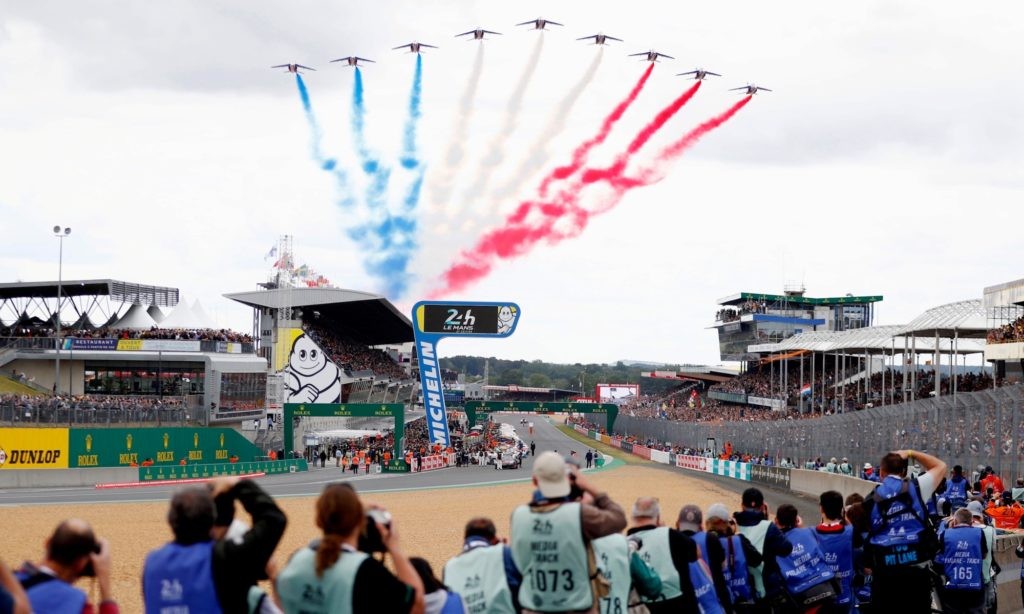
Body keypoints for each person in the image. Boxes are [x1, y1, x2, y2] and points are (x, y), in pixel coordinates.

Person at [275, 483, 425, 613]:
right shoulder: (365, 570)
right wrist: (395, 548)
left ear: (318, 521)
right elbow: (417, 605)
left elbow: (281, 606)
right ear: (360, 522)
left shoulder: (296, 560)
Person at [143, 478, 287, 613]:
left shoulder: (152, 563)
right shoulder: (223, 558)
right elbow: (274, 519)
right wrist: (237, 483)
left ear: (171, 520)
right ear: (211, 520)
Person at [509, 451, 626, 614]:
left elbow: (519, 562)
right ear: (568, 478)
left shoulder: (519, 515)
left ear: (535, 481)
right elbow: (619, 518)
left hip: (535, 606)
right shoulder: (580, 513)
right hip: (577, 606)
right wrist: (590, 488)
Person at [862, 449, 946, 612]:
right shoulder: (917, 487)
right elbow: (940, 466)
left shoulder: (870, 500)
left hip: (885, 577)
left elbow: (865, 537)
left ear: (881, 472)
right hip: (916, 574)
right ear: (903, 471)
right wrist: (911, 452)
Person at [15, 519, 119, 614]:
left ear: (47, 543)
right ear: (81, 562)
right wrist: (106, 592)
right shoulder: (75, 603)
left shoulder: (7, 583)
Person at [627, 497, 701, 613]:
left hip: (644, 607)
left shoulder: (625, 544)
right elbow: (696, 554)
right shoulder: (671, 535)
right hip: (680, 605)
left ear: (633, 517)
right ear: (658, 517)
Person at [443, 518, 521, 614]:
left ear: (465, 539)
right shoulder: (502, 553)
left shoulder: (449, 567)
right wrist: (505, 550)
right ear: (494, 539)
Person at [733, 487, 793, 609]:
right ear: (762, 507)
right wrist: (766, 520)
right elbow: (787, 548)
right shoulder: (769, 527)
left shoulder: (732, 526)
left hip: (739, 589)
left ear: (742, 505)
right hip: (765, 591)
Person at [772, 504, 836, 612]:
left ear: (776, 520)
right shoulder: (809, 531)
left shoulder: (774, 545)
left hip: (800, 596)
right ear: (796, 520)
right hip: (826, 587)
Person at [704, 503, 763, 611]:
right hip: (743, 601)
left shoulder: (701, 545)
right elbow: (757, 560)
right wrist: (733, 533)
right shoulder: (738, 540)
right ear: (726, 522)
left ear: (708, 523)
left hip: (716, 605)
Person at [677, 504, 731, 611]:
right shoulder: (710, 539)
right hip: (712, 602)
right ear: (700, 525)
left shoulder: (673, 541)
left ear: (678, 523)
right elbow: (722, 569)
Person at [935, 508, 986, 614]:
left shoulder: (945, 534)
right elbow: (984, 555)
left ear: (954, 521)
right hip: (974, 586)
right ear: (971, 522)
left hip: (952, 587)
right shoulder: (979, 533)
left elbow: (939, 558)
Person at [812, 491, 854, 613]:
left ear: (821, 509)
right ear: (841, 509)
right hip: (845, 598)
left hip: (821, 598)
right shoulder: (851, 532)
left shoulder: (811, 534)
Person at [966, 501, 997, 613]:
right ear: (981, 514)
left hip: (969, 578)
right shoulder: (990, 530)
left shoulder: (962, 531)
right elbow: (994, 550)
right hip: (987, 575)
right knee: (990, 607)